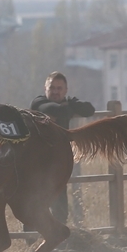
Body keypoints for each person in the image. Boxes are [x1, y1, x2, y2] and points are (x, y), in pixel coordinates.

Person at [31, 72, 95, 224]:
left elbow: (89, 109)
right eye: (52, 88)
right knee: (34, 201)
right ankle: (30, 240)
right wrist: (69, 106)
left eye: (59, 88)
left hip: (59, 160)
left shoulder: (67, 102)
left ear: (66, 90)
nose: (55, 91)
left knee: (59, 199)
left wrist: (69, 104)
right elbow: (60, 111)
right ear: (45, 88)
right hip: (36, 160)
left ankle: (60, 237)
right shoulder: (38, 103)